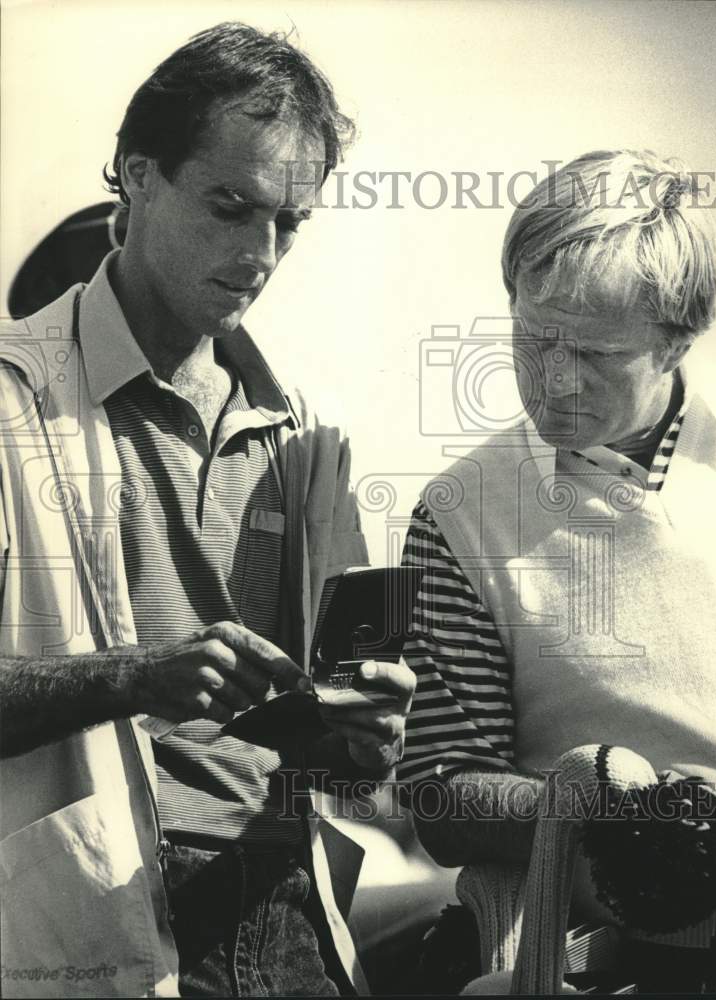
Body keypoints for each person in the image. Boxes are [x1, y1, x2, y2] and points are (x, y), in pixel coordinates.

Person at [0, 22, 415, 998]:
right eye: (231, 206)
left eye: (290, 222)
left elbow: (341, 760)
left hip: (289, 904)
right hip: (89, 917)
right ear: (136, 177)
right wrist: (142, 675)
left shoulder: (304, 434)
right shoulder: (14, 402)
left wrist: (361, 744)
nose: (260, 252)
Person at [398, 149, 716, 990]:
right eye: (533, 335)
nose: (552, 379)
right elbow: (440, 795)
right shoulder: (458, 511)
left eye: (593, 354)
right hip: (636, 968)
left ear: (677, 339)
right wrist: (596, 808)